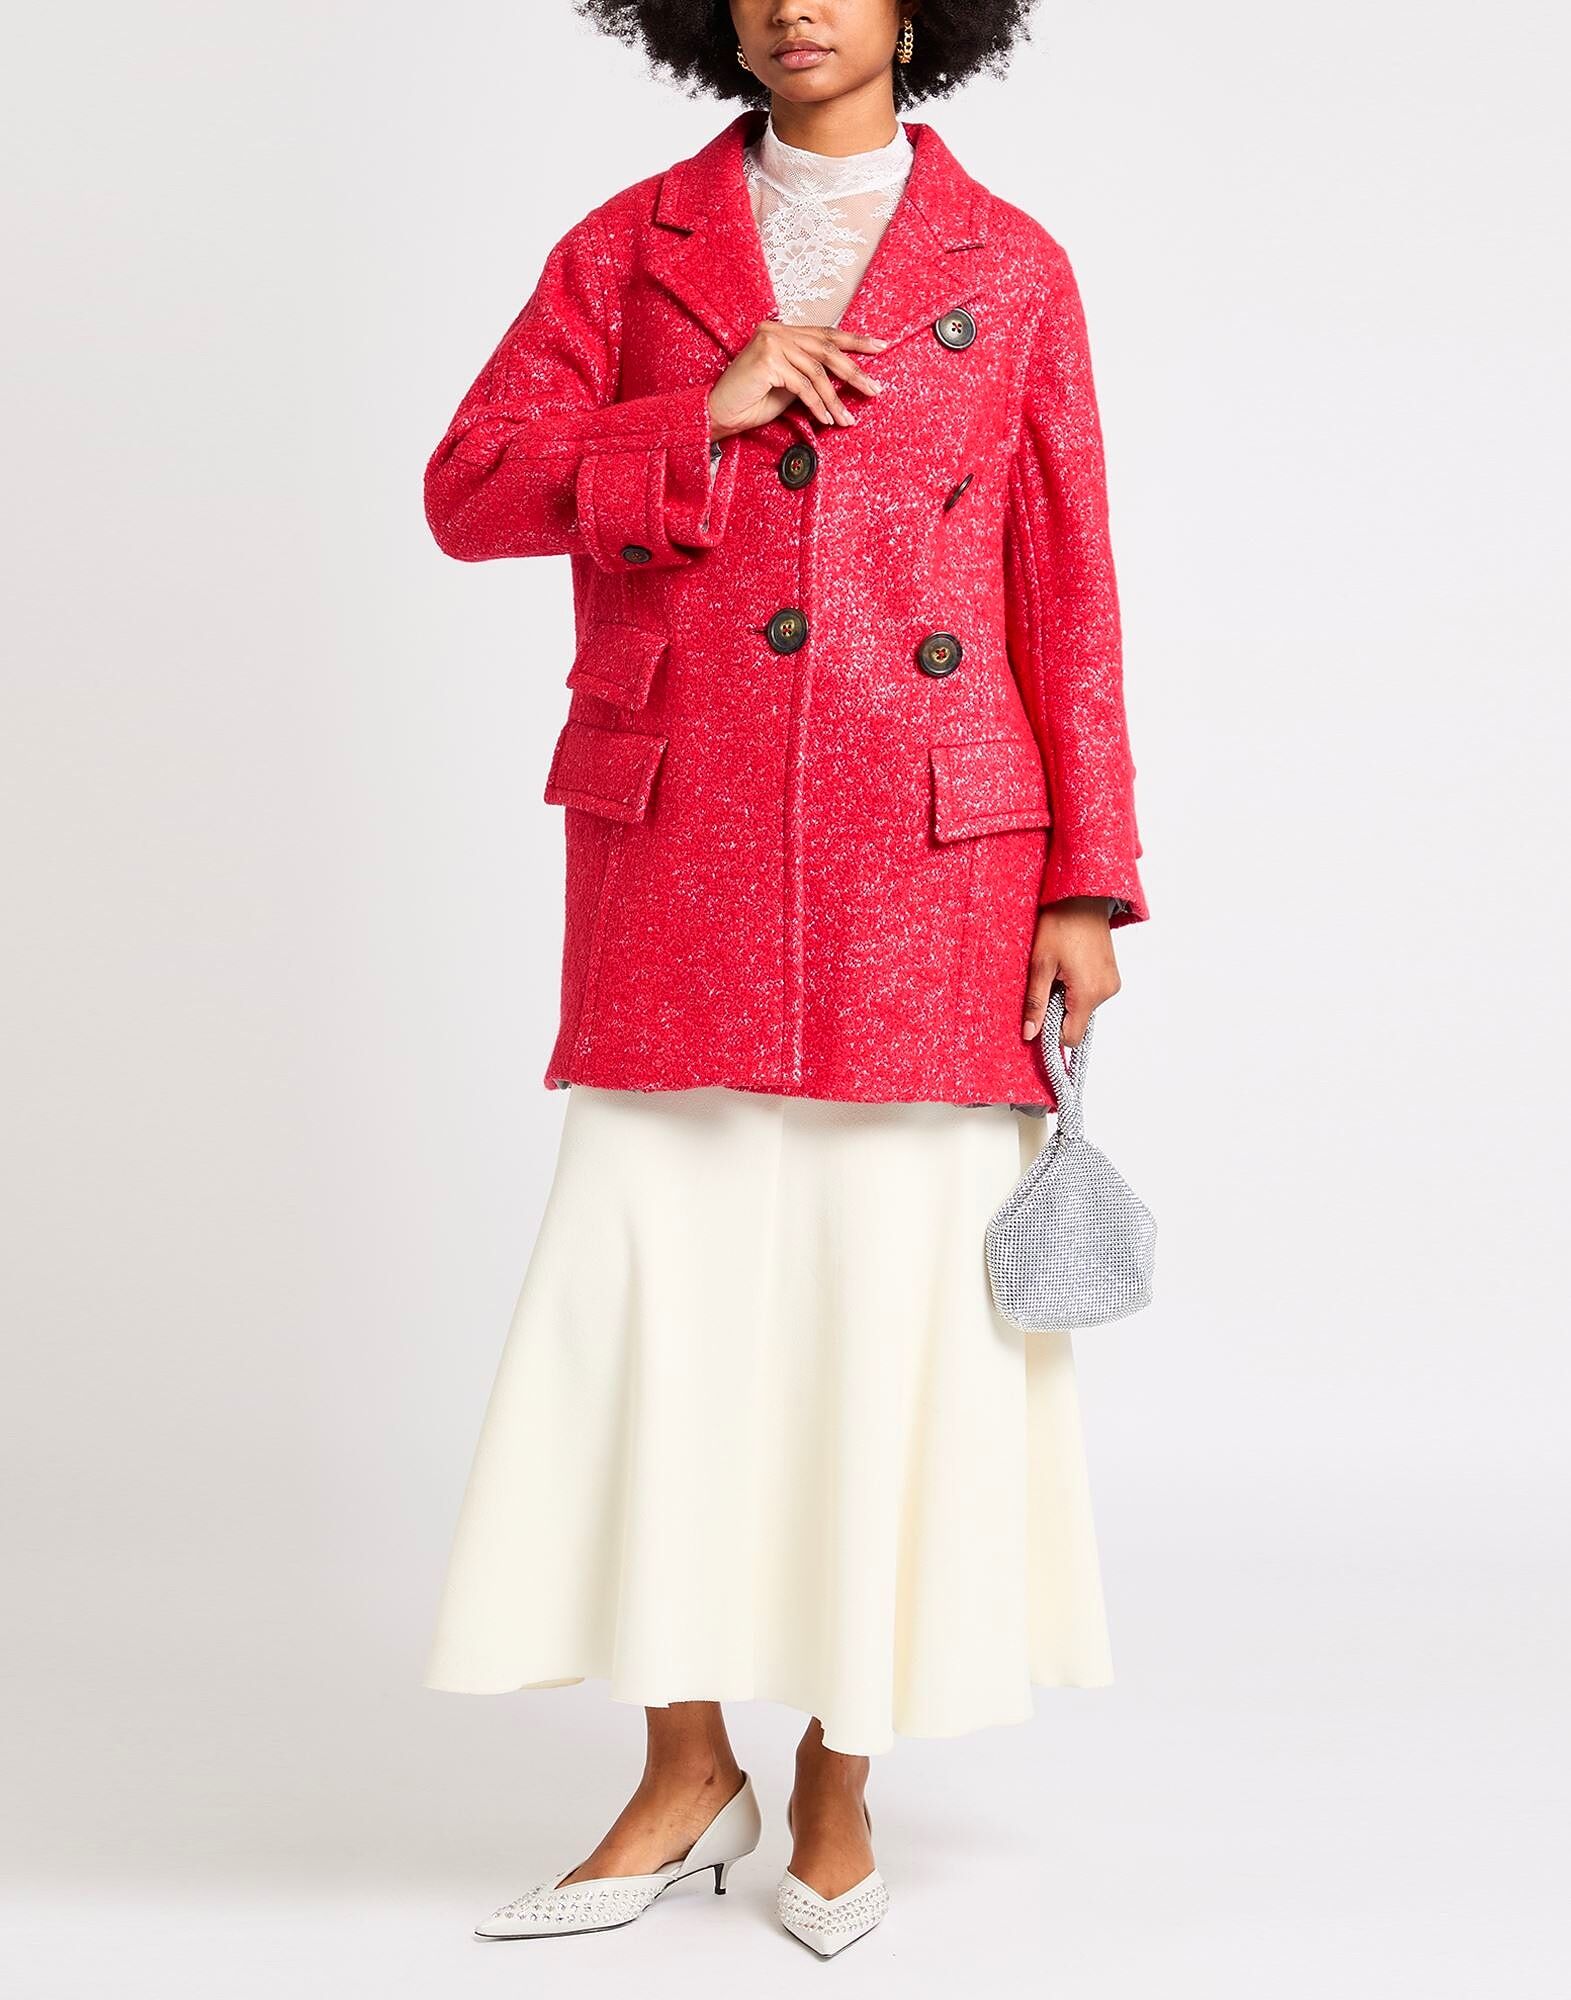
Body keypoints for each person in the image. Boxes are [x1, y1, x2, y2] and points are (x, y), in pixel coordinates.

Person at [421, 0, 1146, 1957]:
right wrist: (693, 414)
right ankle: (685, 1768)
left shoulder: (1014, 268)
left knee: (882, 1314)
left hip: (935, 858)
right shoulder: (628, 246)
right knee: (659, 1299)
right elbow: (470, 489)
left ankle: (838, 1775)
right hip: (684, 839)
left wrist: (1088, 879)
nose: (794, 1)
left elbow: (1067, 587)